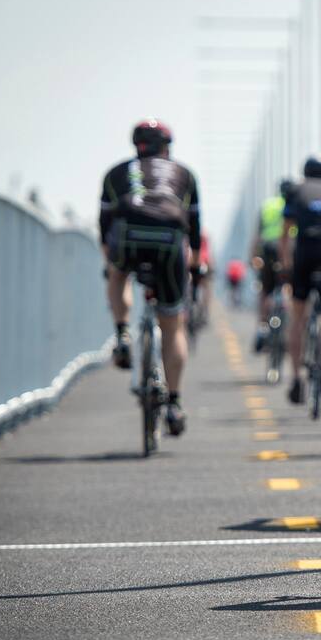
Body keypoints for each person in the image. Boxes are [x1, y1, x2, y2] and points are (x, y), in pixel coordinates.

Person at [99, 118, 201, 435]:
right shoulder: (184, 173)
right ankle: (174, 401)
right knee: (173, 324)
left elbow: (104, 225)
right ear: (167, 147)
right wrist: (193, 267)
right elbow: (195, 231)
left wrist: (111, 262)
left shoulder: (116, 173)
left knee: (117, 274)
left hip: (128, 232)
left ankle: (122, 334)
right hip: (170, 237)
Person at [281, 156, 321, 405]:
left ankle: (296, 378)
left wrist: (286, 266)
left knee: (297, 317)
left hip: (305, 253)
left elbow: (286, 232)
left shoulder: (297, 190)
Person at [249, 181, 293, 352]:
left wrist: (253, 257)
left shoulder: (268, 205)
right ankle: (288, 322)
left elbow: (257, 235)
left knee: (266, 290)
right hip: (288, 247)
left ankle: (262, 327)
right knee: (288, 285)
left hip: (268, 248)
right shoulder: (293, 203)